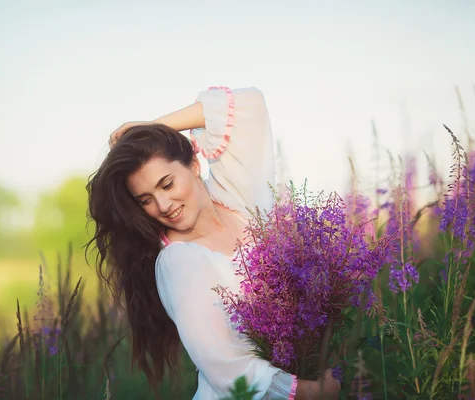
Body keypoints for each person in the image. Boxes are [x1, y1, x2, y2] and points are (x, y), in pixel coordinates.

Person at [87, 86, 341, 399]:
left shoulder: (240, 198)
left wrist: (151, 129)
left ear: (194, 164)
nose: (164, 205)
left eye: (167, 184)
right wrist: (311, 393)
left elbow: (249, 106)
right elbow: (228, 370)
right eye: (146, 200)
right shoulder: (179, 262)